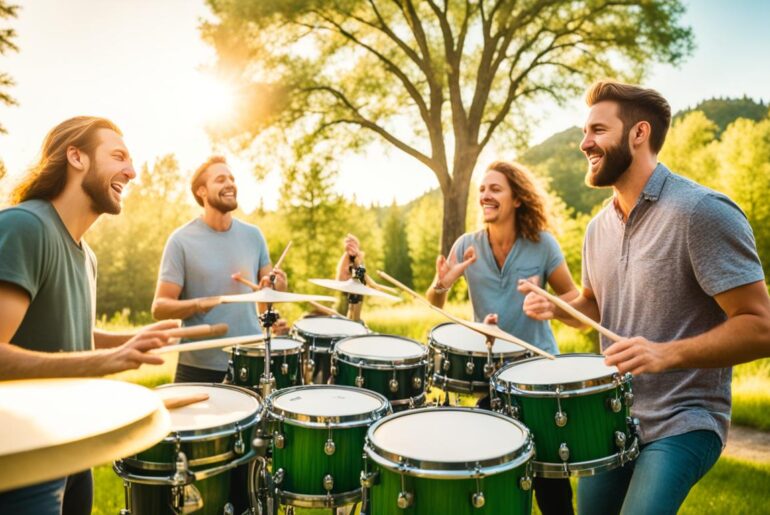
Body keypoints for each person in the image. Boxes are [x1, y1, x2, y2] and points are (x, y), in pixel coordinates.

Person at [519, 80, 770, 515]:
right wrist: (560, 308)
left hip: (686, 419)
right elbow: (596, 308)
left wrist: (666, 354)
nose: (584, 143)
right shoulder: (598, 228)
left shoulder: (701, 212)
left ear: (639, 134)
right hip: (611, 418)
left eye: (598, 130)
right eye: (585, 131)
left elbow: (761, 326)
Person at [0, 116, 180, 515]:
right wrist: (106, 361)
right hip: (21, 457)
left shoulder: (87, 256)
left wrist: (132, 341)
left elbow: (69, 329)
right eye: (118, 156)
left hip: (72, 443)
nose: (132, 172)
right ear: (76, 156)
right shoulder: (26, 227)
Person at [426, 160, 579, 515]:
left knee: (550, 483)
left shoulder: (542, 245)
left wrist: (551, 304)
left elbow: (576, 303)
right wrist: (443, 282)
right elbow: (435, 304)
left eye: (495, 189)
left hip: (539, 379)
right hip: (491, 378)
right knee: (492, 479)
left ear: (517, 199)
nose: (485, 195)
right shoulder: (467, 245)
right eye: (482, 189)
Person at [151, 155, 287, 384]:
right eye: (220, 179)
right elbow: (160, 307)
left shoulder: (253, 235)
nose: (230, 184)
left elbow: (265, 299)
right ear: (201, 191)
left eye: (232, 178)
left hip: (251, 359)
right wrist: (198, 304)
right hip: (198, 365)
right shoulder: (181, 240)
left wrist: (277, 288)